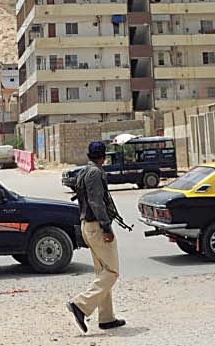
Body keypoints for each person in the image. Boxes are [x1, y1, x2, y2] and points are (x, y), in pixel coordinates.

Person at [67, 141, 125, 333]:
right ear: (103, 157)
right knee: (112, 272)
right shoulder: (95, 173)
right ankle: (80, 305)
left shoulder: (84, 171)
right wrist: (106, 227)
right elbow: (96, 202)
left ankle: (107, 318)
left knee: (103, 272)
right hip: (96, 227)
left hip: (88, 225)